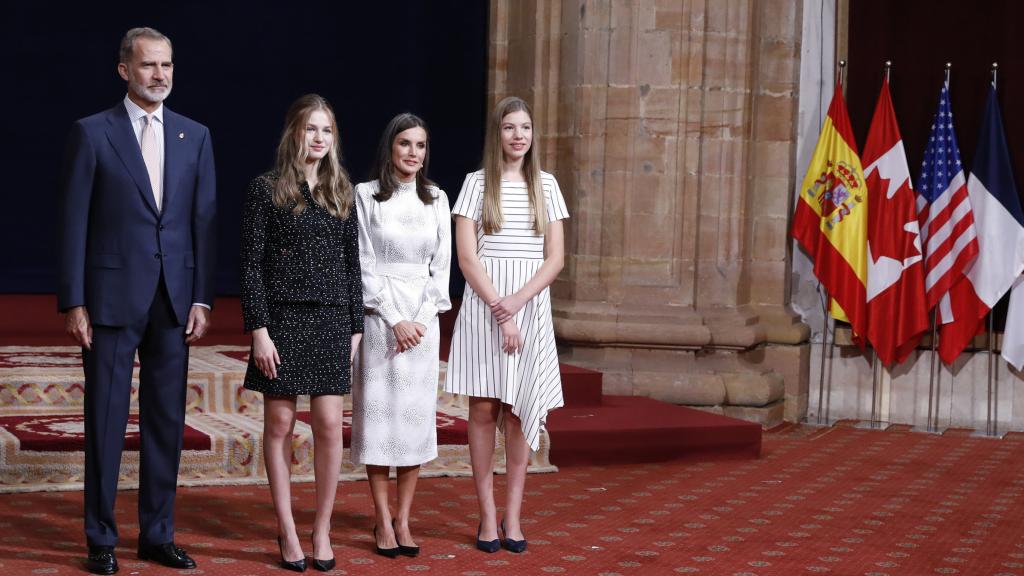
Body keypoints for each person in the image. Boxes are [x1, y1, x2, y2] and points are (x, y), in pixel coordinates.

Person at [57, 27, 216, 575]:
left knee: (166, 422)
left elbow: (202, 223)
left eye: (167, 65)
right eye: (149, 66)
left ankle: (157, 534)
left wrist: (202, 296)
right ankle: (100, 537)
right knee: (105, 420)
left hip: (174, 300)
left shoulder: (194, 136)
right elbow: (73, 222)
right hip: (108, 298)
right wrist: (73, 301)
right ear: (125, 69)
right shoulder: (92, 133)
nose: (160, 75)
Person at [240, 94, 362, 573]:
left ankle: (322, 529)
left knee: (331, 426)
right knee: (281, 426)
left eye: (326, 130)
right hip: (283, 321)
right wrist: (259, 330)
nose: (318, 138)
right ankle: (288, 529)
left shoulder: (341, 192)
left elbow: (352, 266)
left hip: (332, 320)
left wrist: (355, 328)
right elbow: (250, 265)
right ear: (294, 133)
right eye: (311, 129)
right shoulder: (265, 189)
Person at [444, 96, 569, 553]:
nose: (519, 135)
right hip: (484, 305)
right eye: (510, 127)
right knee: (482, 410)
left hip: (530, 305)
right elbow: (466, 256)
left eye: (526, 128)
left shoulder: (547, 185)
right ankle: (485, 516)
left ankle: (512, 516)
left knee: (519, 414)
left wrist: (517, 303)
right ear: (497, 133)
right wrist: (500, 306)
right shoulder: (476, 184)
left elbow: (555, 258)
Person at [350, 113, 451, 558]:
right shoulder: (366, 195)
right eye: (406, 143)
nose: (413, 152)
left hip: (422, 326)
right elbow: (362, 264)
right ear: (391, 146)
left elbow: (441, 269)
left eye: (421, 145)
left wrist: (421, 320)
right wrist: (394, 319)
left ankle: (404, 519)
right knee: (379, 422)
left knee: (412, 423)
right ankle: (380, 517)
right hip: (380, 322)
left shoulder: (437, 199)